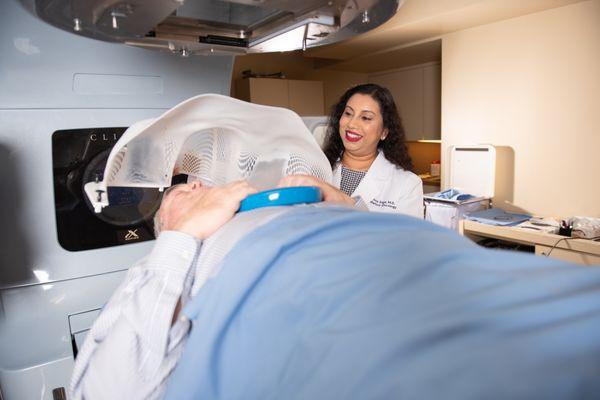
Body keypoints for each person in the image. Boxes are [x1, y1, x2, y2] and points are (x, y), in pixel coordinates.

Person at [279, 83, 423, 218]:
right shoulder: (312, 169)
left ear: (384, 132)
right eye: (348, 113)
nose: (352, 124)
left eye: (366, 118)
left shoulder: (407, 184)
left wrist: (346, 202)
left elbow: (406, 240)